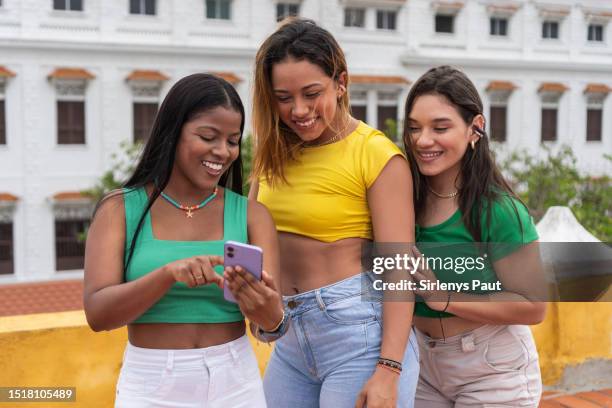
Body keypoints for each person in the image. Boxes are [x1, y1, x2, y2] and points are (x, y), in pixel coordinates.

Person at [83, 73, 284, 408]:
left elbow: (269, 326)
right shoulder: (119, 209)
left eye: (233, 141)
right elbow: (98, 315)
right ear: (173, 132)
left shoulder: (253, 215)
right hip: (150, 384)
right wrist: (167, 275)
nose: (222, 152)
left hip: (236, 382)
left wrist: (266, 309)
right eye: (208, 137)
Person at [249, 18, 419, 408]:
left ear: (341, 82)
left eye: (312, 93)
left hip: (360, 336)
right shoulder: (272, 153)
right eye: (284, 97)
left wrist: (389, 369)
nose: (299, 110)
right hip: (290, 341)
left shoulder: (374, 153)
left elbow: (397, 269)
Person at [402, 65, 546, 407]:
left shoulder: (498, 211)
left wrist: (446, 298)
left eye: (440, 127)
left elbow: (533, 306)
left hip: (493, 368)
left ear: (475, 129)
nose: (423, 140)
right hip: (421, 363)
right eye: (413, 128)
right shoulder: (402, 201)